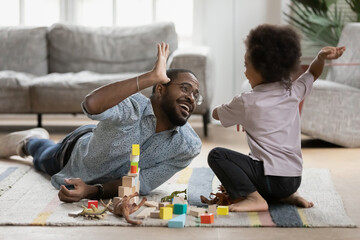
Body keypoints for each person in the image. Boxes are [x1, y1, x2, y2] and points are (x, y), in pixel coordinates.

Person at [0, 42, 202, 202]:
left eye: (195, 94)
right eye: (185, 88)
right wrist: (150, 77)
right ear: (160, 88)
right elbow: (91, 105)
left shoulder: (187, 146)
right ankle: (29, 140)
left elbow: (143, 182)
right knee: (41, 157)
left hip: (103, 141)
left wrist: (93, 191)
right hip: (75, 153)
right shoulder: (133, 107)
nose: (191, 97)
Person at [209, 24, 345, 212]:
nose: (244, 72)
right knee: (255, 159)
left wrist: (232, 110)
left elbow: (216, 114)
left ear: (261, 69)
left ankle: (254, 198)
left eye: (246, 66)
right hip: (294, 180)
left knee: (217, 155)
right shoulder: (293, 92)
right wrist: (320, 57)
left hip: (271, 181)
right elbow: (312, 73)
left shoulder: (247, 101)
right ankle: (287, 196)